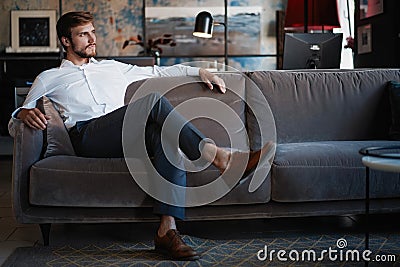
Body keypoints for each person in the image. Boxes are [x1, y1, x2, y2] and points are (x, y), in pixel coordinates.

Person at [10, 11, 273, 261]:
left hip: (123, 136)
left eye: (93, 32)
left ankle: (167, 231)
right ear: (66, 41)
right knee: (153, 102)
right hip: (87, 136)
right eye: (83, 35)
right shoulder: (50, 77)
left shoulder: (112, 68)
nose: (92, 39)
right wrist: (21, 115)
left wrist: (198, 71)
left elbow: (159, 71)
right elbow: (15, 118)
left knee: (165, 135)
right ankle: (219, 157)